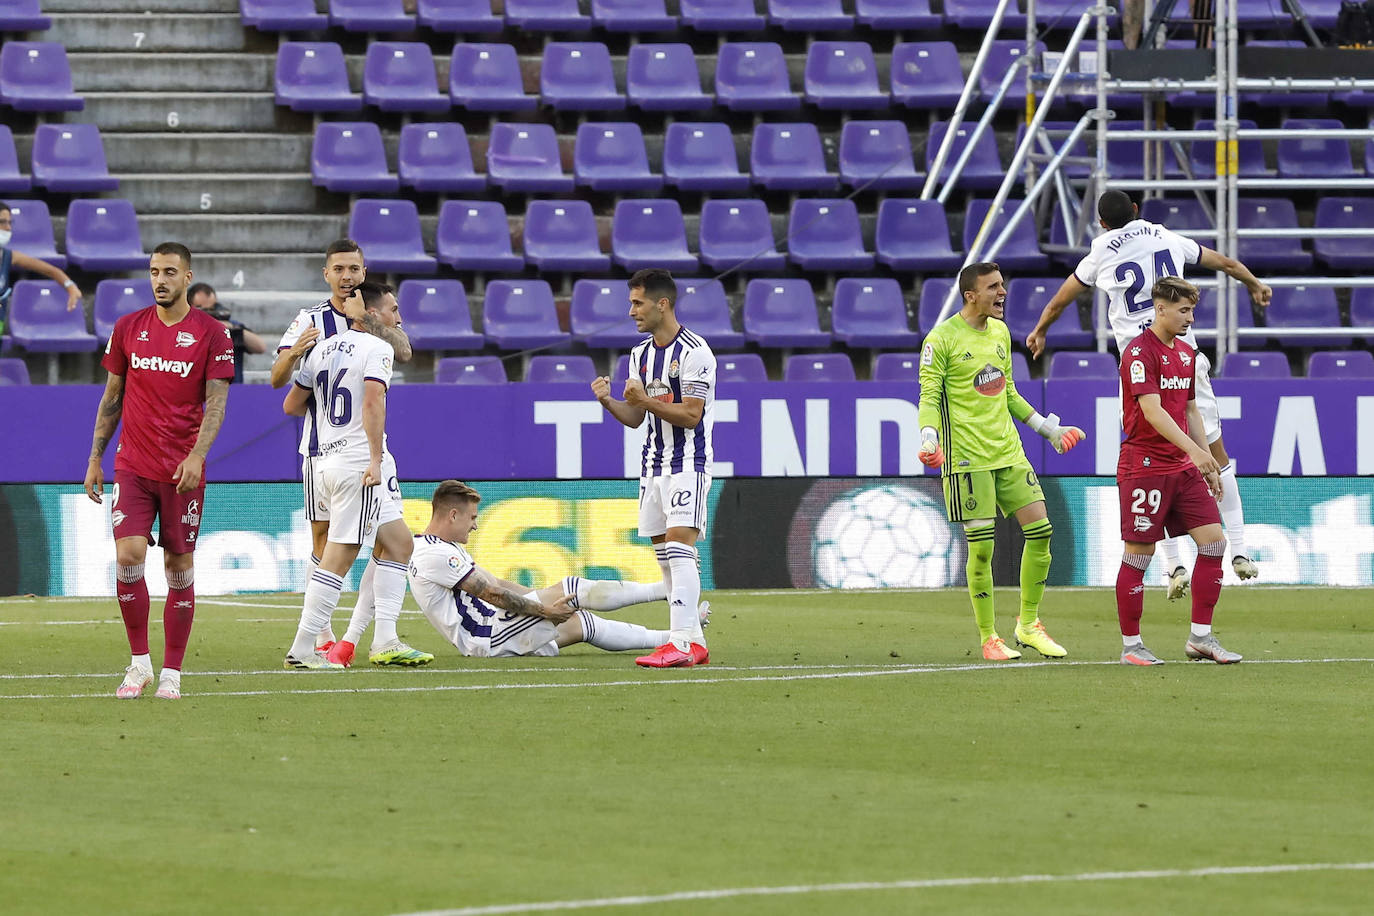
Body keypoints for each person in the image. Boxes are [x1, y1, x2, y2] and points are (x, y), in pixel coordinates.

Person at [1026, 189, 1272, 597]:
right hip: (1184, 359)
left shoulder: (1101, 250)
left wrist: (1040, 330)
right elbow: (1224, 262)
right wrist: (1254, 283)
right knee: (1215, 451)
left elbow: (1063, 297)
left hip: (1139, 367)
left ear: (1101, 223)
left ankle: (1173, 564)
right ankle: (1240, 550)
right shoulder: (1166, 237)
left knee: (1157, 460)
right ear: (1137, 211)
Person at [83, 242, 234, 700]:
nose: (160, 280)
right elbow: (112, 396)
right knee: (128, 555)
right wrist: (95, 456)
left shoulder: (212, 334)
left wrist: (197, 455)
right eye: (154, 271)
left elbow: (217, 404)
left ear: (187, 277)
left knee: (178, 565)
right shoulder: (128, 328)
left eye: (170, 272)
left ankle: (173, 671)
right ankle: (139, 664)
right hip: (133, 464)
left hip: (181, 472)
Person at [917, 262, 1087, 661]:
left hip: (1008, 453)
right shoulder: (940, 340)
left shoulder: (1000, 333)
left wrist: (1049, 430)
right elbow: (928, 397)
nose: (1002, 293)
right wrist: (929, 438)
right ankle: (989, 637)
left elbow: (1007, 392)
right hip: (967, 460)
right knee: (982, 551)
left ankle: (1028, 625)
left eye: (1003, 285)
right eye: (993, 287)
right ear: (970, 295)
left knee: (1042, 531)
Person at [271, 240, 412, 653]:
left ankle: (382, 637)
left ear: (363, 273)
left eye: (354, 269)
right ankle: (320, 634)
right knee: (325, 541)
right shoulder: (310, 320)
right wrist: (295, 352)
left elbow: (403, 350)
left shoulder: (377, 313)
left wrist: (368, 321)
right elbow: (278, 379)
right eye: (339, 269)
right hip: (322, 451)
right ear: (326, 274)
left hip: (366, 448)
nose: (347, 276)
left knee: (394, 539)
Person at [406, 481, 710, 659]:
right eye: (472, 517)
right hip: (486, 634)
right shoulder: (433, 554)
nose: (475, 524)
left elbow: (496, 582)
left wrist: (543, 603)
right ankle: (667, 591)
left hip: (492, 632)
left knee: (584, 625)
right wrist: (546, 611)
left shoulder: (442, 547)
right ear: (453, 514)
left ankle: (675, 637)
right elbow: (492, 593)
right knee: (572, 588)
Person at [591, 267, 715, 668]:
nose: (631, 311)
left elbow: (692, 416)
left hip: (687, 463)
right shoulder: (639, 354)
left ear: (662, 304)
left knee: (681, 547)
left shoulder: (696, 352)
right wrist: (610, 402)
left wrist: (644, 401)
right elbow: (635, 417)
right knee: (665, 556)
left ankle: (679, 642)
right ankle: (692, 639)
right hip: (652, 466)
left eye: (637, 302)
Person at [1115, 277, 1241, 666]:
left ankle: (1200, 638)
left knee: (1214, 543)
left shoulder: (1186, 354)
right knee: (1139, 555)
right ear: (1160, 308)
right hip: (1145, 466)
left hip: (1183, 466)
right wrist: (1196, 453)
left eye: (1192, 310)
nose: (1189, 318)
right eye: (1183, 310)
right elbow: (1151, 412)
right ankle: (1131, 645)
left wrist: (1207, 461)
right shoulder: (1139, 354)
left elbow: (1190, 411)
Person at [0, 202, 83, 332]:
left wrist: (70, 286)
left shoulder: (9, 256)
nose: (8, 228)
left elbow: (52, 271)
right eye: (2, 222)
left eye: (10, 223)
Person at [188, 282, 265, 384]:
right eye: (203, 309)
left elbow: (260, 347)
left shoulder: (230, 327)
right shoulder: (184, 330)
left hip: (231, 392)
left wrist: (233, 329)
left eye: (212, 309)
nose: (209, 313)